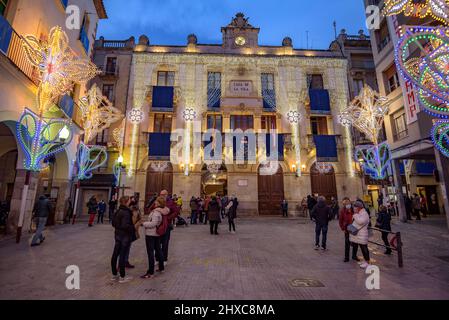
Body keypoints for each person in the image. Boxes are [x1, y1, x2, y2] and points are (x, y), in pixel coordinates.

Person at [141, 196, 167, 279]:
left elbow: (153, 223)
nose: (155, 203)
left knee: (151, 253)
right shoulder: (161, 211)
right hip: (156, 234)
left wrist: (143, 224)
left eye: (156, 202)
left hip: (151, 234)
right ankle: (161, 267)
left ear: (159, 203)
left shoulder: (156, 212)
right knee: (158, 250)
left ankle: (150, 272)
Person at [111, 196, 134, 283]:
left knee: (115, 254)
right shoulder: (126, 212)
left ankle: (114, 274)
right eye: (129, 200)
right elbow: (126, 225)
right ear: (126, 202)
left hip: (117, 235)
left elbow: (113, 223)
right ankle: (122, 276)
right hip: (124, 236)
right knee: (122, 256)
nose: (130, 202)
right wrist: (132, 228)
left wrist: (119, 227)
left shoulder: (118, 211)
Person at [158, 190, 180, 264]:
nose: (162, 196)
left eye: (163, 194)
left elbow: (176, 212)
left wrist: (169, 217)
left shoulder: (171, 202)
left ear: (167, 195)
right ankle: (157, 258)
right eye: (161, 194)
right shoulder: (157, 201)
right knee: (157, 242)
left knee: (165, 242)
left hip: (167, 225)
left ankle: (164, 259)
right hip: (158, 224)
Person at [350, 201, 371, 269]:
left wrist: (355, 215)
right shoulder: (359, 213)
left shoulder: (364, 213)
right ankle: (365, 261)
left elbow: (360, 222)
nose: (354, 208)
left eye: (355, 207)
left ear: (358, 207)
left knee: (364, 248)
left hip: (362, 234)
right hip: (359, 235)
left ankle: (367, 262)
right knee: (362, 248)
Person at [339, 198, 358, 262]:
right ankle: (346, 257)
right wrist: (342, 228)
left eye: (348, 203)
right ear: (344, 205)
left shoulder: (354, 210)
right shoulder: (342, 211)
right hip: (347, 228)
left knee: (355, 243)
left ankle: (354, 256)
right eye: (346, 204)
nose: (347, 205)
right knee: (347, 243)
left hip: (354, 228)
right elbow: (340, 221)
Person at [124, 201, 142, 269]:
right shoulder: (126, 211)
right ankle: (121, 263)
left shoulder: (137, 211)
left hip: (132, 231)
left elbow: (140, 219)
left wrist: (135, 226)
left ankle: (125, 261)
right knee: (123, 247)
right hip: (125, 231)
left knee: (128, 247)